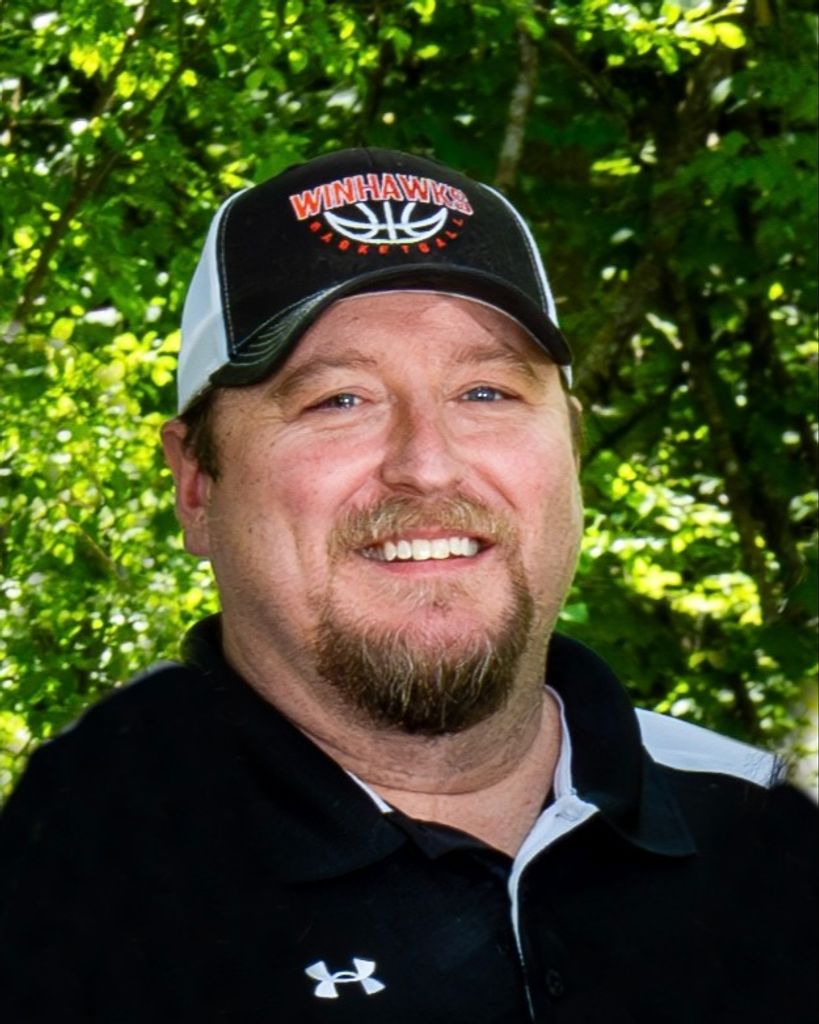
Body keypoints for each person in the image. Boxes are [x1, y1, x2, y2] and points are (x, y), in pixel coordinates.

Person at [0, 148, 815, 1024]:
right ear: (196, 483)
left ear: (571, 450)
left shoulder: (768, 837)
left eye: (485, 392)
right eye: (339, 400)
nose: (427, 466)